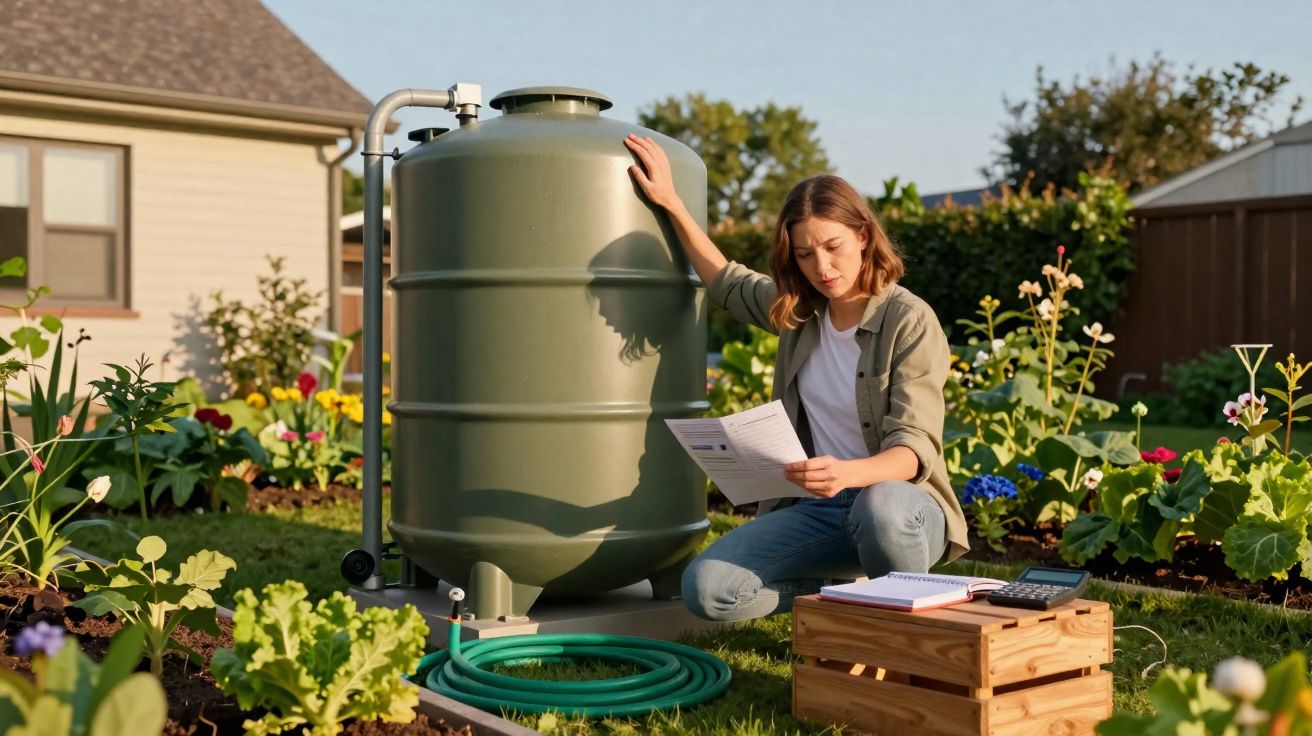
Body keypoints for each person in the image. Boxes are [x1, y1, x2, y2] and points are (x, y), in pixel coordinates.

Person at [623, 133, 969, 622]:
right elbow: (726, 282)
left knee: (882, 507)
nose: (822, 267)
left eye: (833, 246)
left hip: (902, 512)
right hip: (820, 512)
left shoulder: (909, 321)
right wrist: (671, 203)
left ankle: (905, 631)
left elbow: (913, 451)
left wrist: (846, 473)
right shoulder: (799, 312)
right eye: (805, 254)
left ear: (863, 236)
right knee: (709, 589)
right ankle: (844, 595)